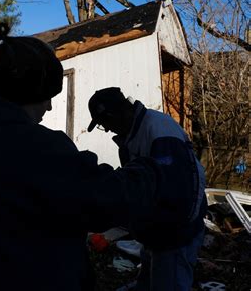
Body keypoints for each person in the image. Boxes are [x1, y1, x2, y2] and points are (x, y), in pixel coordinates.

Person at [0, 23, 164, 291]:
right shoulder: (35, 148)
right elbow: (107, 200)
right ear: (30, 91)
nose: (51, 106)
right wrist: (152, 170)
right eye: (48, 96)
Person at [87, 87, 207, 291]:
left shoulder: (159, 131)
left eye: (104, 123)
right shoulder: (131, 134)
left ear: (117, 113)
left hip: (174, 233)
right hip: (155, 231)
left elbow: (184, 188)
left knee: (169, 283)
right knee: (150, 278)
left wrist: (174, 232)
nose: (106, 130)